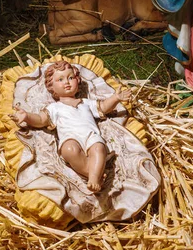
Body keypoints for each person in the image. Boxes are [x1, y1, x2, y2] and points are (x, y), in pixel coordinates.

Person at [13, 61, 131, 192]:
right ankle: (94, 175)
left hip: (91, 136)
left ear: (77, 80)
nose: (67, 82)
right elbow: (41, 119)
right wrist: (27, 116)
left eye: (71, 78)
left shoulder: (85, 103)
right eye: (60, 79)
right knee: (69, 150)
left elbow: (103, 107)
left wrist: (115, 98)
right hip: (70, 138)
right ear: (51, 86)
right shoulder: (54, 108)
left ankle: (93, 177)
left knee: (99, 148)